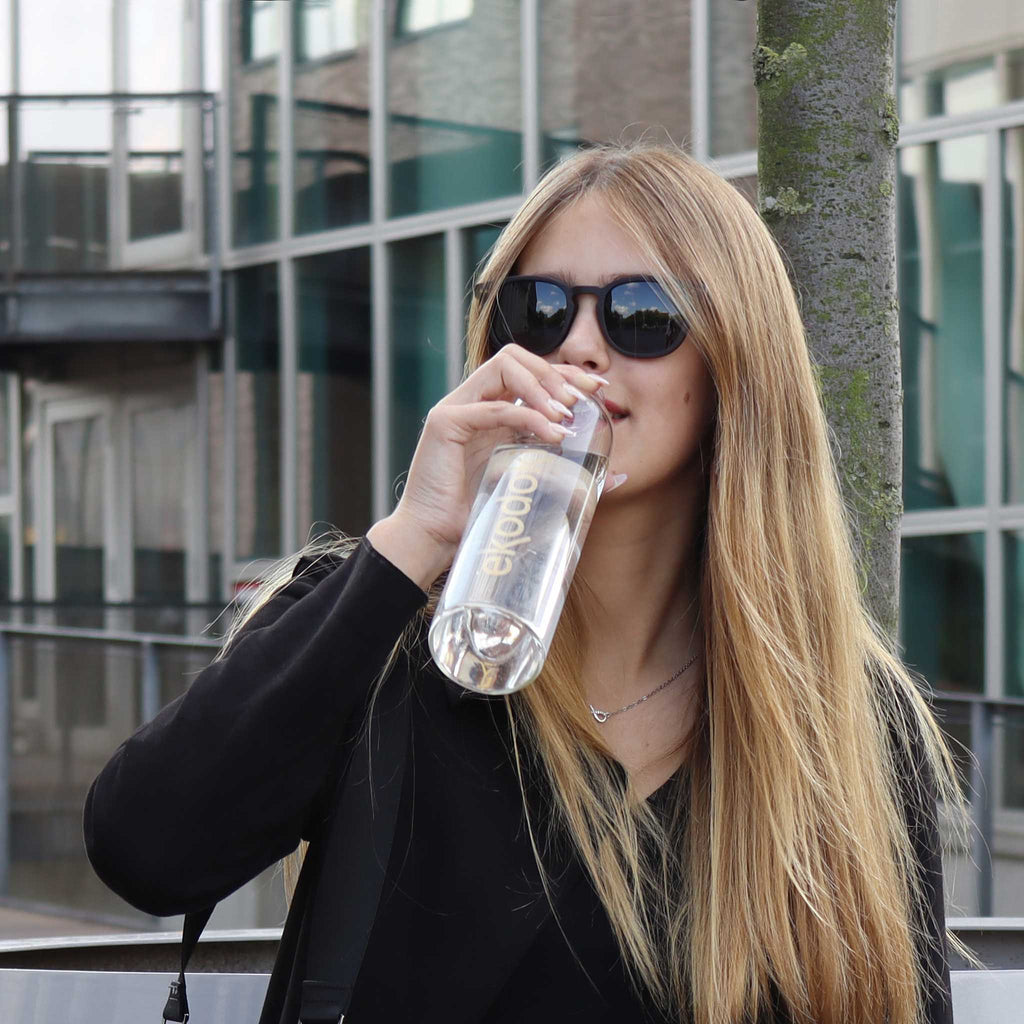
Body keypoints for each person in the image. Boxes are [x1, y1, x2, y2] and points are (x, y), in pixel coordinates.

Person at [84, 142, 969, 1024]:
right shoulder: (378, 624)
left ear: (734, 366)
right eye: (539, 309)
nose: (579, 345)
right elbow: (146, 850)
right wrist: (416, 534)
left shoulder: (846, 720)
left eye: (644, 314)